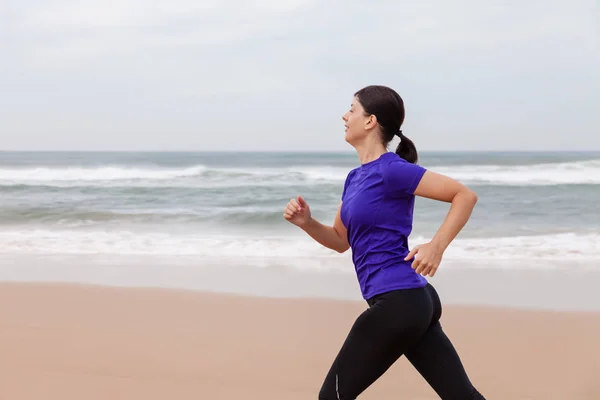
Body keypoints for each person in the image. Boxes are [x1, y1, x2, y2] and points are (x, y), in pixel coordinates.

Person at [283, 85, 485, 399]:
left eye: (352, 109)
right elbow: (340, 241)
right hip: (411, 302)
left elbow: (464, 196)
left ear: (370, 121)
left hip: (399, 301)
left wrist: (436, 246)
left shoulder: (393, 170)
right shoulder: (355, 177)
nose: (344, 115)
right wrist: (307, 223)